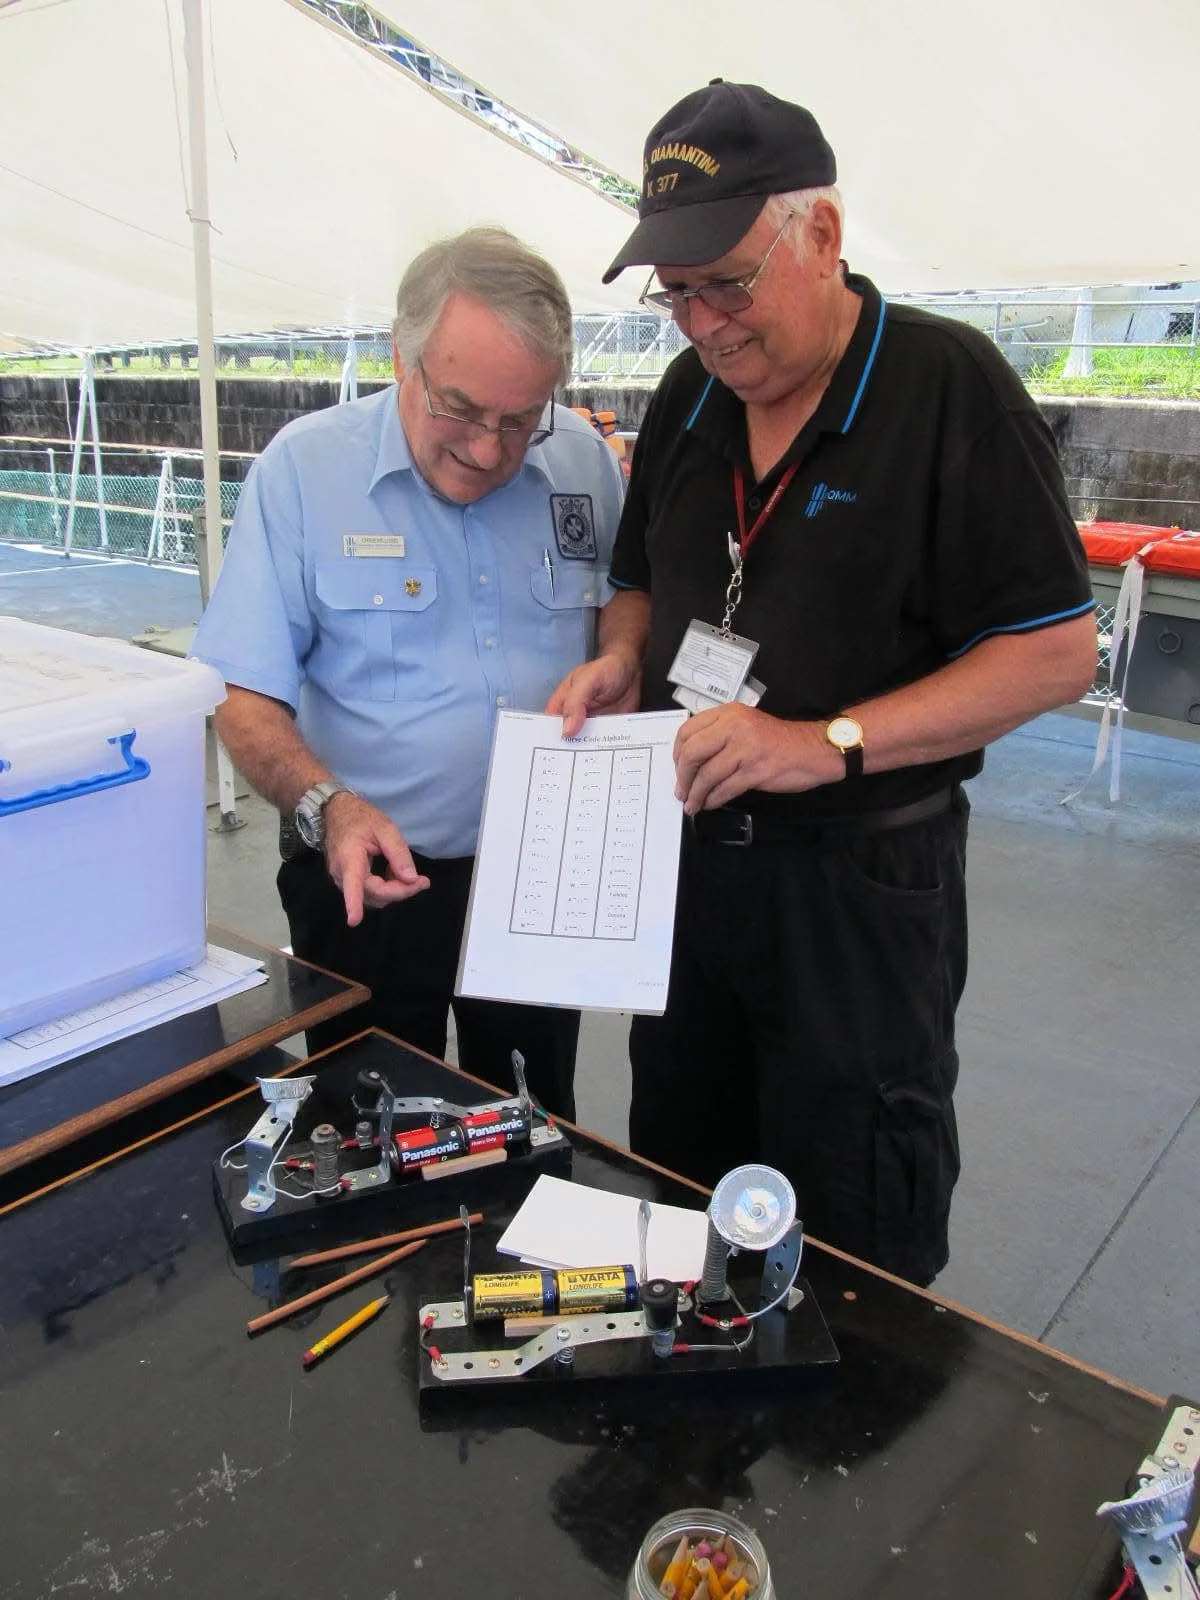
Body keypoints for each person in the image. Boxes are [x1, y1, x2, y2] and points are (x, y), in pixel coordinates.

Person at [549, 82, 1096, 1283]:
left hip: (857, 886)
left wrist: (824, 739)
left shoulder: (952, 388)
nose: (703, 324)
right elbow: (641, 575)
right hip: (690, 862)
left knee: (854, 1204)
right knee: (684, 1173)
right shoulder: (690, 397)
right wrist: (623, 657)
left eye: (728, 282)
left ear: (823, 236)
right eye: (675, 292)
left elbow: (1058, 649)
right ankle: (695, 1437)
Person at [191, 227, 624, 1118]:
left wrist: (622, 655)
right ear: (402, 358)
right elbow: (242, 695)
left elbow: (627, 601)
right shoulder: (304, 472)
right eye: (461, 409)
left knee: (536, 1122)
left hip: (537, 877)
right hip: (371, 877)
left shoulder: (580, 457)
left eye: (520, 419)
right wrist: (329, 807)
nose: (488, 449)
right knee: (369, 1128)